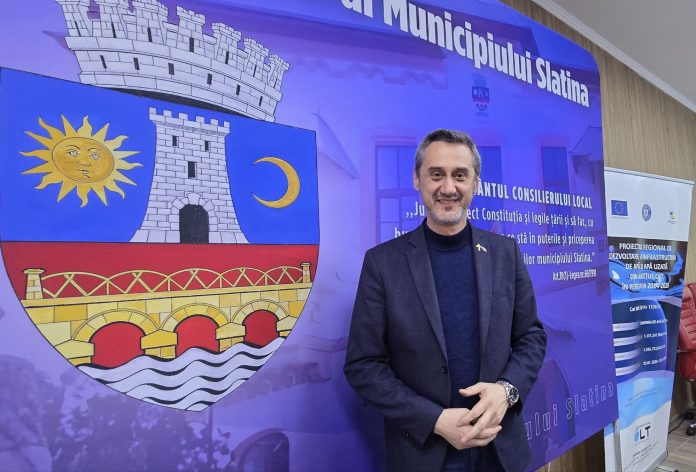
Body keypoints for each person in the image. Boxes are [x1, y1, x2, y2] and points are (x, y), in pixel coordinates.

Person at [344, 129, 546, 472]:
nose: (448, 188)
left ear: (475, 184)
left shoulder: (505, 253)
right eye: (436, 174)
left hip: (500, 453)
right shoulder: (382, 263)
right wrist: (434, 420)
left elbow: (531, 337)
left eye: (460, 175)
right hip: (423, 455)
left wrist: (506, 391)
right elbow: (363, 365)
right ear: (417, 180)